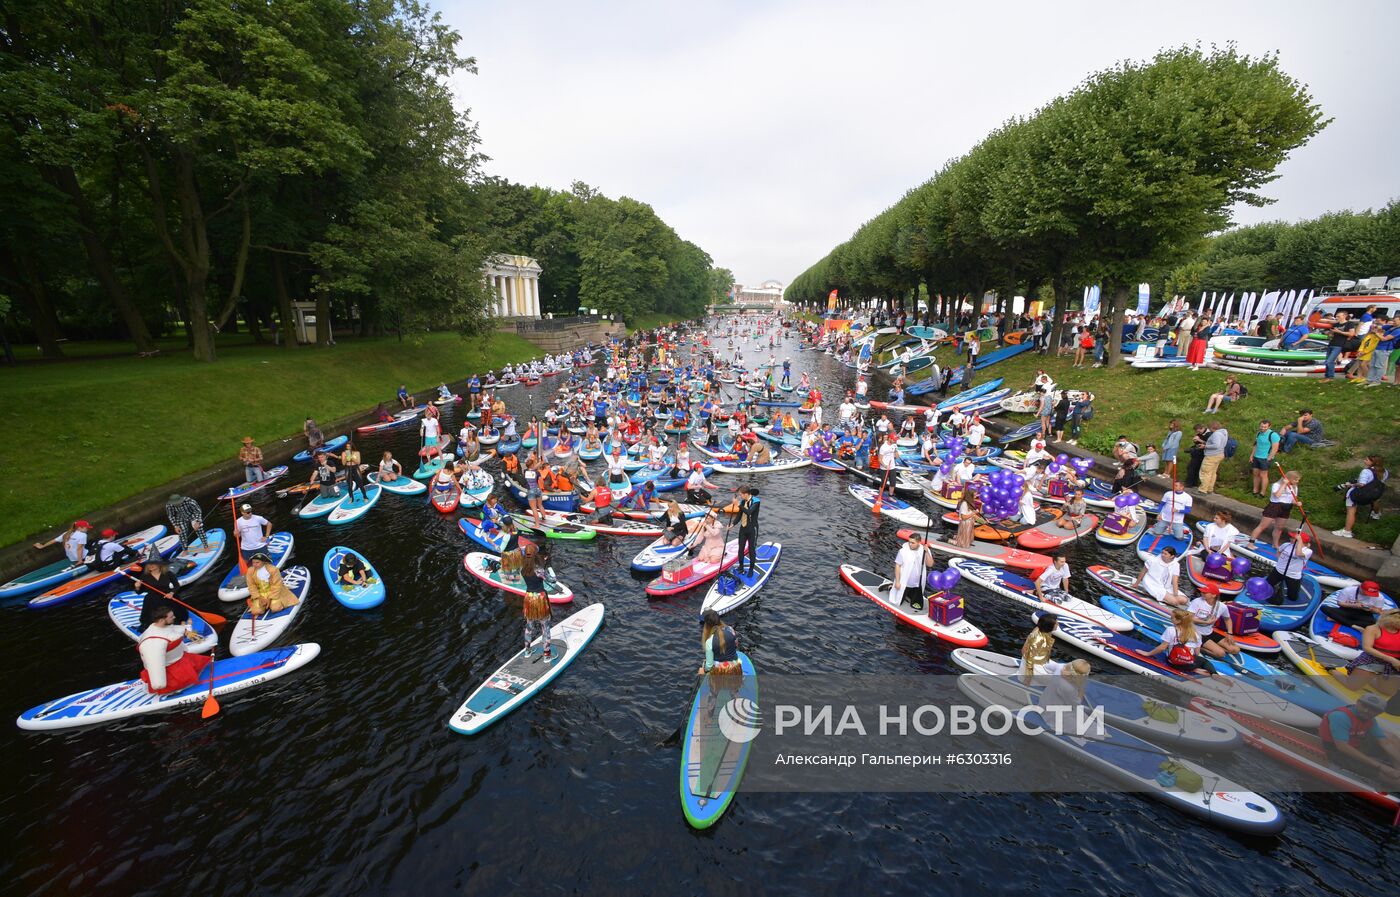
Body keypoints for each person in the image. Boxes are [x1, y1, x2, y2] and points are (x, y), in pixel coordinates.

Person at [1318, 694, 1400, 781]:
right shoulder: (1340, 716)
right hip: (1338, 752)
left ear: (1379, 713)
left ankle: (1398, 770)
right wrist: (1381, 766)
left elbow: (1385, 743)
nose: (1366, 711)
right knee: (1390, 777)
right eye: (1364, 706)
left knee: (1390, 737)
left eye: (1373, 709)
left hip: (1357, 744)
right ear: (1357, 702)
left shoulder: (1370, 719)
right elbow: (1342, 747)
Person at [137, 602, 211, 695]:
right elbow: (155, 664)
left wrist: (186, 632)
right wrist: (159, 684)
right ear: (161, 620)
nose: (174, 617)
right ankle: (174, 690)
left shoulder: (163, 626)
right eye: (171, 617)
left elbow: (172, 629)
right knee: (180, 683)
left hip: (181, 660)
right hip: (173, 672)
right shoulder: (153, 643)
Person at [1135, 608, 1212, 673]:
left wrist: (1148, 654)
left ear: (1179, 621)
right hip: (1189, 664)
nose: (1170, 619)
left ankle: (1194, 669)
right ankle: (1211, 673)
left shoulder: (1171, 630)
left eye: (1172, 618)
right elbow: (1197, 653)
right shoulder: (1197, 634)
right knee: (1204, 661)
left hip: (1173, 663)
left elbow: (1162, 648)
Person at [698, 609, 743, 711]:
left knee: (713, 694)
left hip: (719, 672)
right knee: (734, 692)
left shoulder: (709, 641)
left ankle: (709, 717)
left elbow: (709, 665)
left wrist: (703, 670)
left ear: (707, 625)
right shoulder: (730, 630)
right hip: (735, 669)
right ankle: (740, 713)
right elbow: (735, 645)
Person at [1334, 455, 1388, 539]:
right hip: (1374, 495)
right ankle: (1376, 514)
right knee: (1376, 501)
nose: (1364, 461)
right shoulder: (1385, 472)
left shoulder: (1366, 471)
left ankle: (1347, 531)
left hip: (1358, 494)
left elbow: (1362, 484)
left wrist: (1350, 485)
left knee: (1351, 512)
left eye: (1366, 460)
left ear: (1372, 462)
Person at [1188, 584, 1240, 660]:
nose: (1202, 593)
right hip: (1194, 632)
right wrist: (1206, 623)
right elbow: (1187, 618)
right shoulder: (1197, 601)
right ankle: (1197, 647)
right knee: (1220, 653)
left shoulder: (1222, 606)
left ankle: (1211, 647)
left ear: (1214, 595)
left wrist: (1229, 633)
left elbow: (1227, 619)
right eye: (1202, 592)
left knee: (1235, 649)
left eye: (1205, 592)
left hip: (1209, 632)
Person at [1250, 469, 1300, 548]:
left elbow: (1292, 499)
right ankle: (1251, 543)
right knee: (1263, 526)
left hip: (1286, 507)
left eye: (1298, 480)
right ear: (1289, 478)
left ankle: (1275, 544)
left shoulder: (1295, 487)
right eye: (1296, 479)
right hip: (1275, 506)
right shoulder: (1276, 485)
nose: (1297, 481)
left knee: (1279, 528)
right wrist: (1284, 484)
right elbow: (1277, 495)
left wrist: (1296, 503)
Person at [520, 548, 554, 660]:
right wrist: (549, 569)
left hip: (529, 598)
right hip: (540, 599)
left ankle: (527, 651)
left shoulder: (523, 569)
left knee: (529, 626)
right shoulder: (539, 571)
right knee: (545, 627)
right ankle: (547, 655)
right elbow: (552, 580)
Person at [1264, 530, 1312, 606]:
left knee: (1292, 598)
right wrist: (1280, 561)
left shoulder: (1308, 551)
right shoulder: (1286, 545)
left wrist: (1299, 541)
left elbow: (1298, 554)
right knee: (1266, 586)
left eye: (1293, 538)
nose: (1290, 538)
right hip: (1278, 571)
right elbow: (1279, 551)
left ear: (1300, 541)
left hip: (1293, 576)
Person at [133, 555, 182, 629]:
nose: (150, 565)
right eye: (149, 564)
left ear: (160, 564)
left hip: (167, 597)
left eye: (153, 563)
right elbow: (139, 592)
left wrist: (171, 593)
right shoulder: (144, 576)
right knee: (152, 619)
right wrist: (137, 587)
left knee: (177, 616)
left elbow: (176, 585)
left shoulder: (168, 573)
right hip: (152, 600)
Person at [892, 533, 933, 611]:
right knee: (898, 601)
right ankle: (890, 587)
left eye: (913, 543)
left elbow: (930, 564)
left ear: (919, 542)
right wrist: (897, 581)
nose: (910, 544)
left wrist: (927, 552)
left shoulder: (924, 550)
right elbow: (897, 566)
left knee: (915, 604)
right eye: (909, 542)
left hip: (917, 584)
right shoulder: (903, 551)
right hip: (905, 583)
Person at [1020, 614, 1059, 683]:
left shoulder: (1041, 630)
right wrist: (1028, 678)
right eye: (1056, 623)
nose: (1058, 624)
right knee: (1058, 681)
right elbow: (1026, 654)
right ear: (1050, 626)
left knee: (1063, 668)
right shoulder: (1039, 639)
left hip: (1041, 660)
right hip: (1034, 665)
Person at [1249, 420, 1281, 497]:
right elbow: (1256, 445)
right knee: (1255, 473)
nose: (1263, 428)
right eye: (1261, 426)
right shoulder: (1259, 433)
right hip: (1256, 456)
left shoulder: (1273, 435)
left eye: (1265, 427)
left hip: (1265, 458)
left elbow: (1275, 448)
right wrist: (1251, 455)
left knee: (1263, 475)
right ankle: (1255, 490)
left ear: (1269, 426)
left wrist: (1269, 458)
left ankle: (1262, 493)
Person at [1323, 311, 1357, 380]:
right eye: (1336, 316)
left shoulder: (1349, 324)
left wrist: (1339, 332)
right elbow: (1331, 335)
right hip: (1331, 343)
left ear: (1344, 316)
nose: (1336, 318)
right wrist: (1330, 333)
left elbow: (1351, 334)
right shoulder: (1335, 325)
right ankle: (1327, 377)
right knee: (1328, 361)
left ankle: (1330, 377)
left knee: (1329, 361)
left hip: (1339, 345)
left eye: (1338, 316)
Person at [1197, 420, 1228, 494]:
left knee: (1205, 472)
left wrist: (1205, 446)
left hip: (1212, 455)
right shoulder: (1224, 433)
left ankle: (1203, 490)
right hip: (1219, 454)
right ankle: (1209, 488)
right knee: (1213, 473)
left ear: (1212, 427)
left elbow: (1216, 445)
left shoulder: (1216, 434)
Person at [735, 486, 760, 576]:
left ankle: (751, 569)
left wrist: (739, 505)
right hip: (743, 528)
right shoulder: (743, 501)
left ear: (746, 494)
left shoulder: (756, 501)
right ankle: (741, 567)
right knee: (740, 549)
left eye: (741, 495)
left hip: (752, 529)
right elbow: (739, 515)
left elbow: (749, 512)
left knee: (751, 549)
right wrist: (733, 524)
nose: (740, 496)